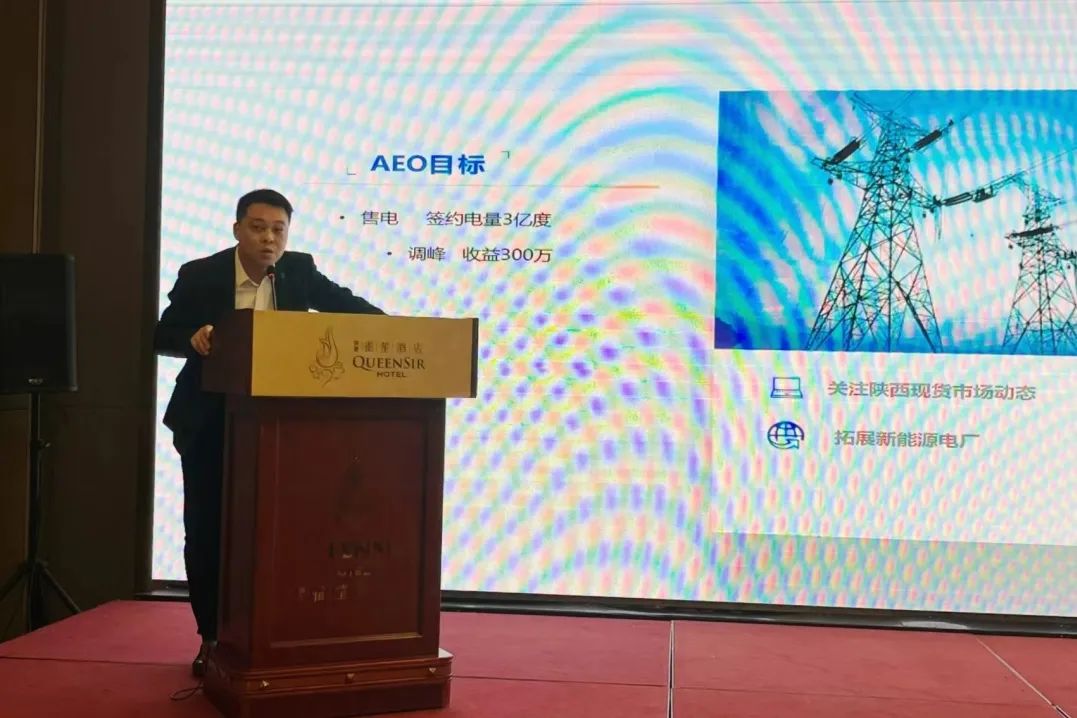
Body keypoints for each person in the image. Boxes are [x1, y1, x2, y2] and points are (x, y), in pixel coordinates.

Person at [153, 188, 384, 677]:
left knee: (286, 531)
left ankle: (280, 633)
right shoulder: (200, 274)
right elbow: (162, 334)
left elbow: (346, 305)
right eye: (258, 228)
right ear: (237, 229)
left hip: (284, 429)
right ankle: (211, 636)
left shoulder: (298, 271)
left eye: (278, 230)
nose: (269, 239)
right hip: (210, 422)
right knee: (208, 529)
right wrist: (193, 336)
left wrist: (394, 332)